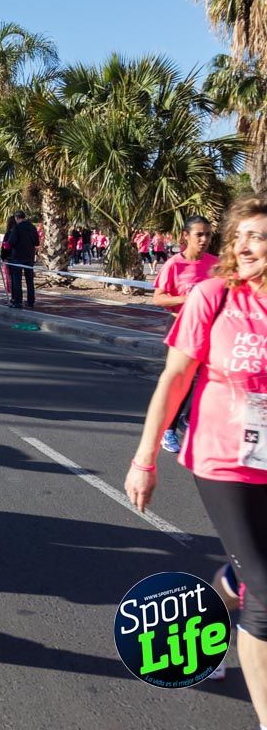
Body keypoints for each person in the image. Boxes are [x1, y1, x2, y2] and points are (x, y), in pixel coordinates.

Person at [126, 196, 267, 721]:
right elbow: (175, 378)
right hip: (222, 457)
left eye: (260, 236)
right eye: (242, 235)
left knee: (246, 569)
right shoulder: (213, 297)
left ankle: (203, 624)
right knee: (266, 589)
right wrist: (145, 458)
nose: (247, 245)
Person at [152, 216, 218, 454]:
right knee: (182, 381)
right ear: (185, 236)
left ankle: (189, 418)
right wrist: (187, 299)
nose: (204, 239)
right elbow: (158, 297)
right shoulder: (174, 264)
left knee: (210, 379)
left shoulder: (216, 264)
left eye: (208, 235)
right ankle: (168, 428)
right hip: (180, 327)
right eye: (199, 234)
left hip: (209, 329)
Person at [3, 211, 39, 308]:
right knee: (29, 280)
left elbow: (11, 243)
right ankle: (31, 301)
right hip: (30, 257)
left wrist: (6, 246)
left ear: (16, 218)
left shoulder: (17, 228)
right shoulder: (32, 227)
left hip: (18, 257)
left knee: (17, 280)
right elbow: (36, 242)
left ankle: (18, 302)